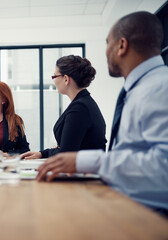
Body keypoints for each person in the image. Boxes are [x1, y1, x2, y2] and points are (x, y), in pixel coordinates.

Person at [36, 11, 168, 217]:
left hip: (149, 214)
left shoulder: (160, 88)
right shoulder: (138, 90)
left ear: (122, 45)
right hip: (125, 200)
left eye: (108, 43)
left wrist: (89, 161)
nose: (105, 51)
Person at [21, 55, 106, 160]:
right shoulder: (84, 103)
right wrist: (42, 153)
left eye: (54, 76)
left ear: (66, 79)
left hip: (83, 174)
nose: (53, 80)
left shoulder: (79, 108)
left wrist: (47, 153)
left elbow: (66, 153)